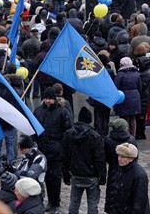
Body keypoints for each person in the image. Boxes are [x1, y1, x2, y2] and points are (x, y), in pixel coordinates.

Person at [32, 86, 72, 214]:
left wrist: (64, 149)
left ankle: (55, 202)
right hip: (42, 150)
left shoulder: (62, 112)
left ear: (55, 99)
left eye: (50, 99)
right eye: (46, 98)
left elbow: (68, 131)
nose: (48, 101)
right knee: (45, 178)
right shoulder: (38, 111)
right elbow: (33, 129)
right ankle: (48, 201)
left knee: (55, 178)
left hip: (57, 152)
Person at [62, 106, 106, 214]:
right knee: (92, 205)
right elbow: (99, 159)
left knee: (74, 204)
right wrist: (103, 176)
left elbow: (64, 156)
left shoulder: (68, 135)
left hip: (76, 174)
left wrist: (65, 175)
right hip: (91, 176)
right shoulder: (95, 136)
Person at [104, 143, 150, 214]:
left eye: (122, 157)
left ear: (131, 159)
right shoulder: (120, 169)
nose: (119, 159)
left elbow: (139, 202)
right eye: (118, 156)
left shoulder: (139, 175)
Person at [113, 57, 142, 137]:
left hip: (124, 98)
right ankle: (133, 136)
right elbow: (140, 87)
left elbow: (116, 87)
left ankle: (124, 135)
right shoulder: (136, 73)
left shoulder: (120, 74)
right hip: (135, 97)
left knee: (124, 118)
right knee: (133, 118)